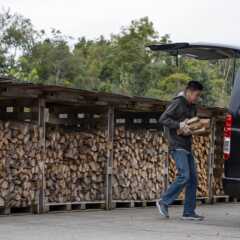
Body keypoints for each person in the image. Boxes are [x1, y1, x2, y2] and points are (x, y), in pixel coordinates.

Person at [156, 80, 204, 221]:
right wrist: (179, 124)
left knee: (193, 180)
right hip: (177, 145)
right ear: (189, 92)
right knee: (184, 175)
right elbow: (163, 118)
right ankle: (163, 201)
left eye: (199, 95)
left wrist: (192, 129)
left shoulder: (192, 106)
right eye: (196, 94)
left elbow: (190, 123)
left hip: (187, 144)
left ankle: (188, 212)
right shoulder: (178, 102)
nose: (197, 97)